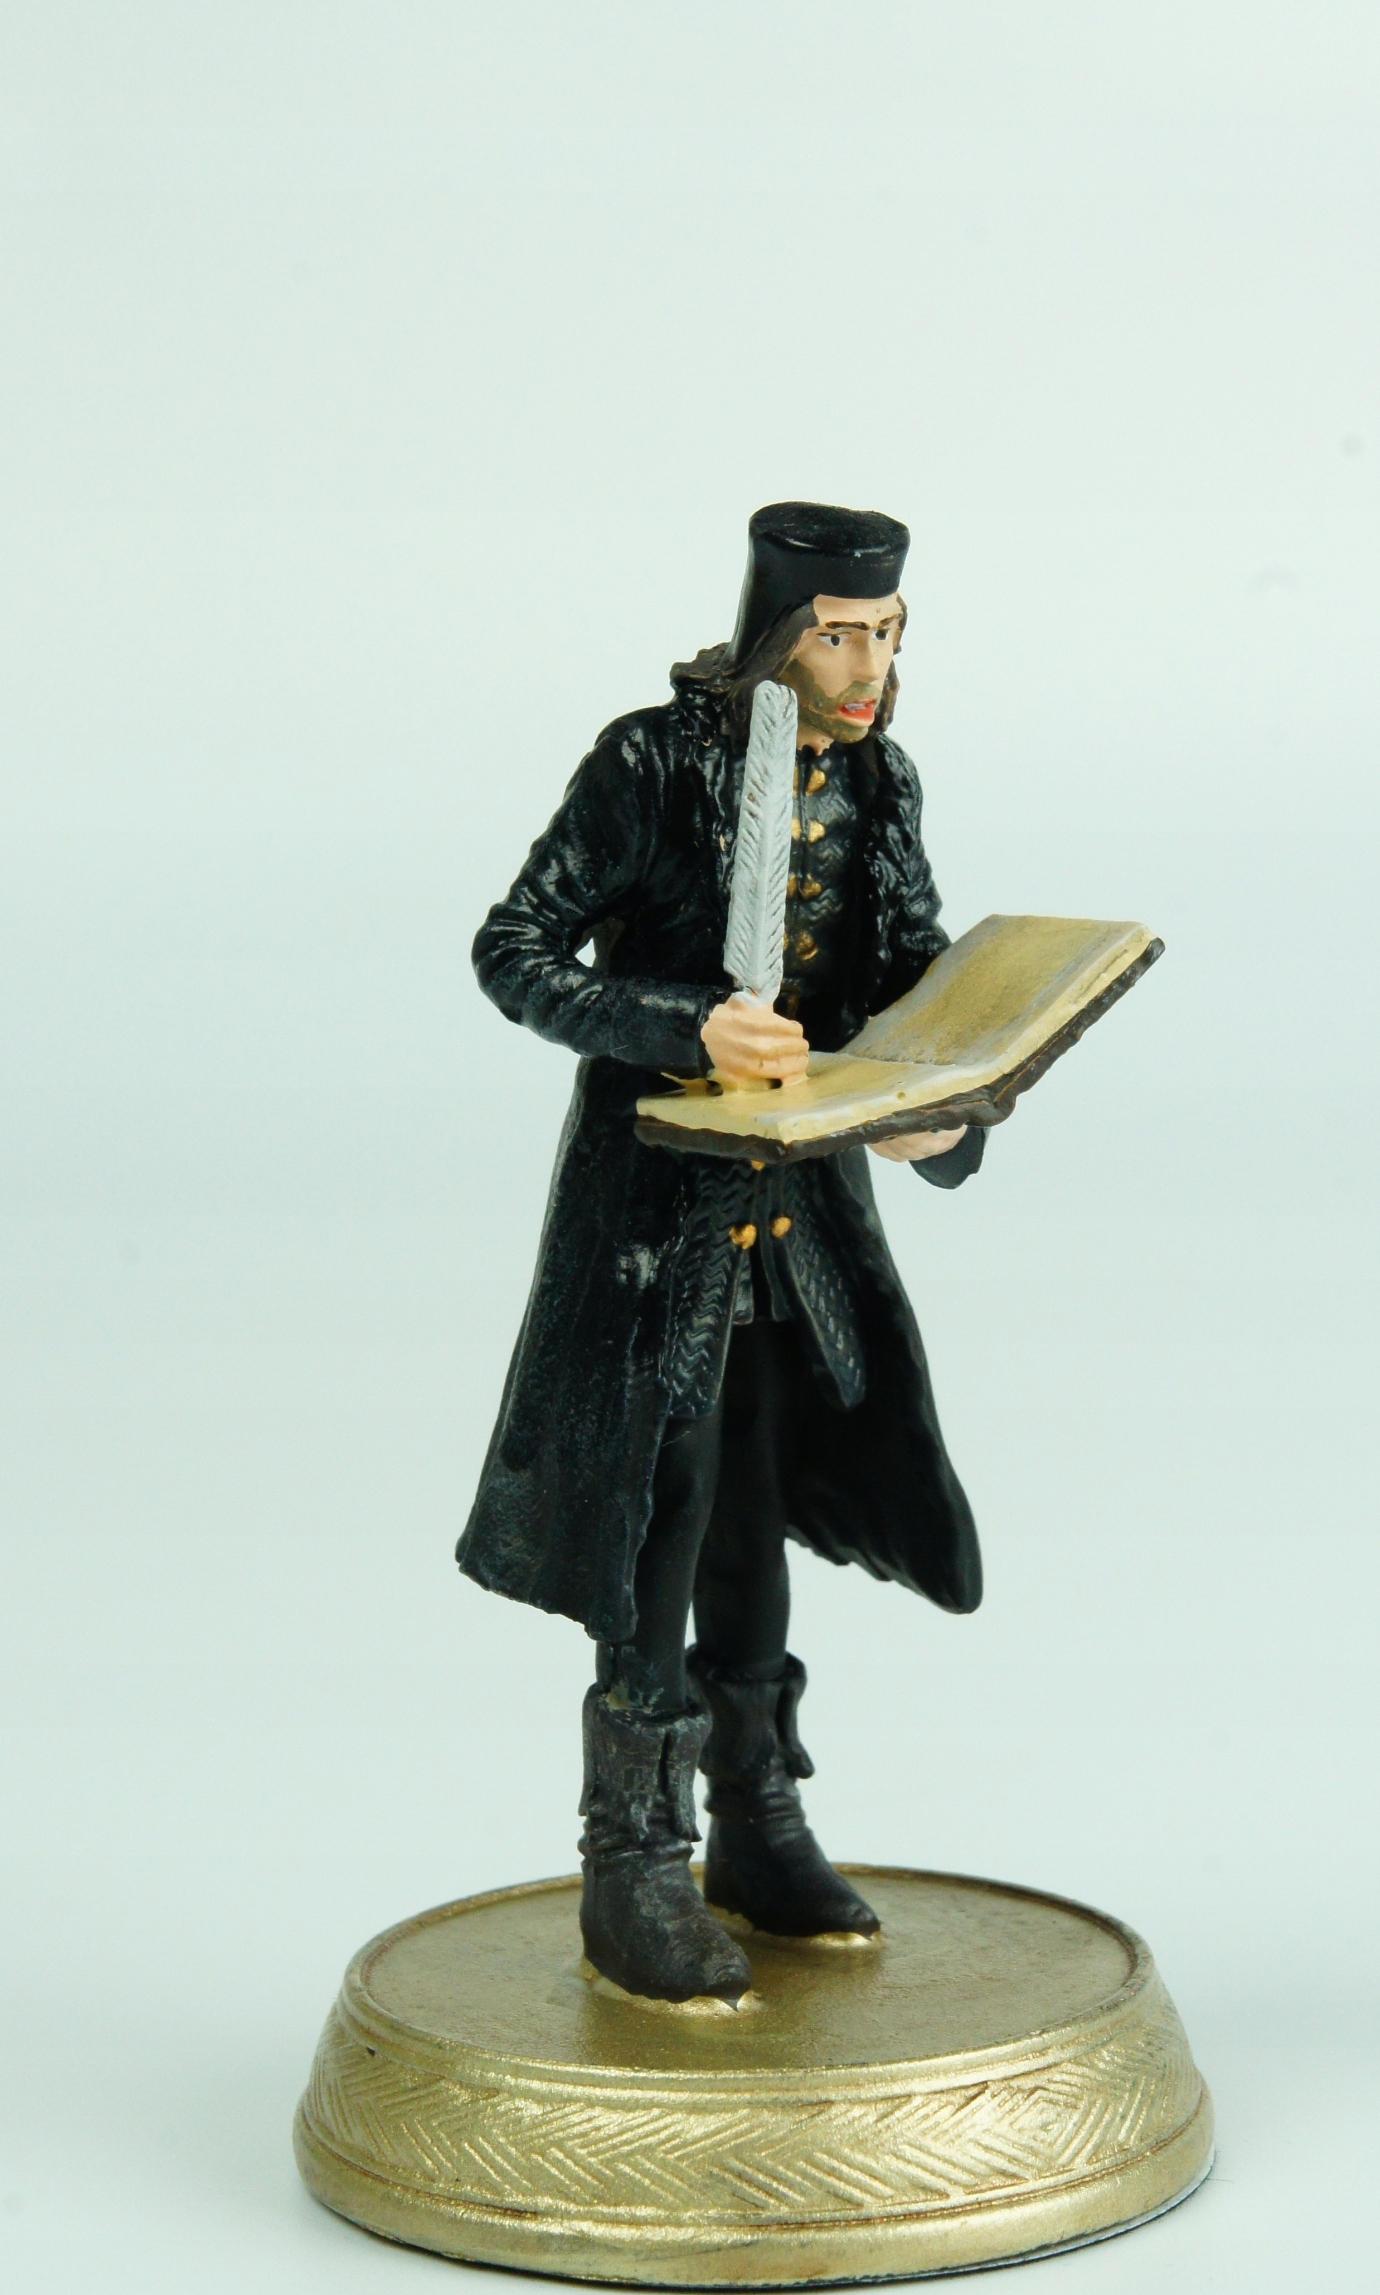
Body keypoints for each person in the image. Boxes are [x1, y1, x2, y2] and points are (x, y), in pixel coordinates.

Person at [458, 502, 988, 2004]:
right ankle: (632, 1857)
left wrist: (942, 1107)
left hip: (802, 1213)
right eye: (840, 635)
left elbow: (908, 983)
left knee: (754, 1496)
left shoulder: (878, 780)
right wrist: (682, 1024)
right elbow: (516, 951)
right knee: (659, 1508)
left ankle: (757, 1813)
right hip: (656, 1220)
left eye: (888, 632)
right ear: (778, 635)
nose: (869, 666)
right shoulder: (650, 762)